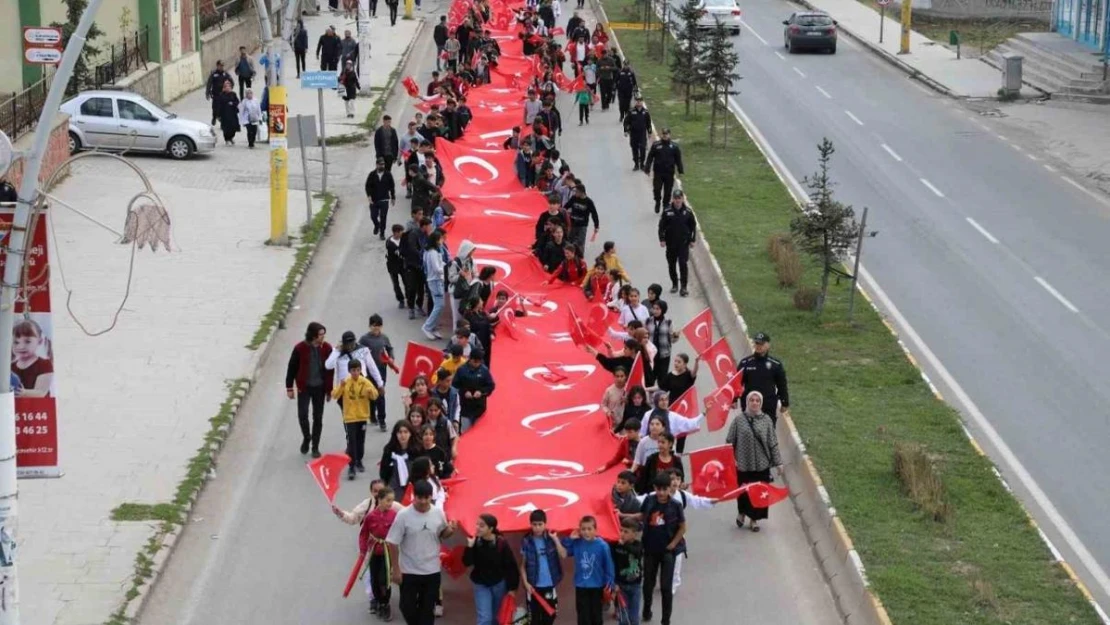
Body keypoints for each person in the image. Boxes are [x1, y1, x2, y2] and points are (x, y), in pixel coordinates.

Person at [386, 480, 458, 625]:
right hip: (409, 571)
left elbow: (442, 534)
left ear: (431, 496)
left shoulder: (438, 513)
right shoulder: (403, 515)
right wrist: (396, 569)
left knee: (427, 610)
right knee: (406, 607)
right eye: (420, 498)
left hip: (431, 571)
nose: (423, 501)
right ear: (414, 496)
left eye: (427, 498)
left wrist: (450, 530)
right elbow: (392, 542)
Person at [726, 390, 783, 532]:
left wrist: (778, 463)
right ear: (747, 402)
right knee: (743, 491)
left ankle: (754, 519)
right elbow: (729, 441)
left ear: (761, 403)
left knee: (759, 492)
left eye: (758, 401)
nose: (755, 403)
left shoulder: (767, 421)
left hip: (761, 465)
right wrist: (731, 459)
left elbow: (772, 443)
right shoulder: (739, 420)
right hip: (743, 464)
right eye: (752, 400)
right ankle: (742, 512)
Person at [636, 473, 685, 625]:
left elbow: (683, 527)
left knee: (665, 587)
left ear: (670, 489)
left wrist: (673, 543)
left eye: (665, 489)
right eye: (659, 489)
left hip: (667, 552)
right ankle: (646, 610)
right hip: (650, 549)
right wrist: (623, 515)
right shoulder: (649, 501)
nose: (662, 493)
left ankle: (666, 619)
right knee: (648, 584)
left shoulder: (676, 505)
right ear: (654, 488)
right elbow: (641, 516)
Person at [285, 322, 333, 458]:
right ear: (313, 335)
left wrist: (329, 390)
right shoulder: (300, 348)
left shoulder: (327, 348)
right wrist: (289, 387)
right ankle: (307, 437)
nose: (323, 337)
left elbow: (330, 371)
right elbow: (292, 368)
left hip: (320, 388)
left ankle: (315, 447)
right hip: (304, 387)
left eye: (324, 334)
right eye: (320, 335)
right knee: (302, 415)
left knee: (318, 418)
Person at [463, 514, 520, 625]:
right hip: (480, 584)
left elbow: (511, 566)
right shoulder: (475, 542)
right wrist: (469, 547)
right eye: (477, 524)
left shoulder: (501, 544)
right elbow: (467, 562)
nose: (477, 527)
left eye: (482, 526)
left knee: (497, 618)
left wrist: (513, 588)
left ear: (491, 529)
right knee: (485, 619)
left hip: (498, 584)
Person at [560, 516, 615, 625]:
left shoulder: (603, 546)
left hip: (597, 586)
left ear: (595, 530)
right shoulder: (577, 543)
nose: (586, 532)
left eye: (589, 529)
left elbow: (609, 567)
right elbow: (565, 548)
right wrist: (571, 538)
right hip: (581, 586)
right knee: (583, 617)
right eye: (583, 529)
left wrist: (610, 585)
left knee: (596, 617)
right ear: (579, 530)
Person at [518, 509, 566, 625]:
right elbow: (523, 566)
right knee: (534, 620)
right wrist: (526, 583)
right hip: (533, 587)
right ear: (531, 525)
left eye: (540, 524)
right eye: (534, 524)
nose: (537, 527)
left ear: (545, 524)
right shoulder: (526, 541)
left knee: (550, 616)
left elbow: (563, 555)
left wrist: (555, 539)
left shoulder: (551, 539)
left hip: (549, 585)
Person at [332, 360, 378, 480]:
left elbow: (375, 395)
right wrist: (341, 387)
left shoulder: (365, 382)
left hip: (362, 416)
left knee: (360, 440)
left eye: (358, 370)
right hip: (350, 417)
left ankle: (359, 460)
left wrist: (370, 392)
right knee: (351, 441)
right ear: (349, 371)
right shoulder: (346, 382)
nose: (356, 373)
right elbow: (335, 395)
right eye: (353, 370)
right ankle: (351, 466)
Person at [736, 332, 790, 428]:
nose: (759, 346)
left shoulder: (775, 364)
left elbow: (782, 384)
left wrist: (784, 402)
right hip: (749, 405)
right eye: (757, 343)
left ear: (768, 345)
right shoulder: (746, 363)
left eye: (761, 344)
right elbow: (737, 383)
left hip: (768, 405)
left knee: (767, 435)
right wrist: (734, 400)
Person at [361, 486, 398, 619]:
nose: (390, 503)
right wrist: (363, 550)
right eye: (388, 500)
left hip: (388, 552)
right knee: (374, 580)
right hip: (374, 551)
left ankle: (385, 603)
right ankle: (378, 600)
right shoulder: (371, 516)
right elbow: (364, 533)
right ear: (380, 500)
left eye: (392, 501)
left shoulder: (394, 515)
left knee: (385, 579)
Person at [359, 314, 397, 430]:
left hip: (381, 369)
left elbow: (389, 348)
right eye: (374, 326)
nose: (376, 329)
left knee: (381, 394)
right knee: (371, 394)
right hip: (368, 372)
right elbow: (359, 353)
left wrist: (391, 357)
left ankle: (382, 420)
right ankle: (372, 414)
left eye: (379, 326)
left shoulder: (384, 338)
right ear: (370, 326)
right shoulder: (364, 339)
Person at [326, 330, 384, 404]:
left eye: (352, 343)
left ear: (355, 341)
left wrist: (380, 384)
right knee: (349, 414)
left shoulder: (363, 350)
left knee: (366, 412)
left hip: (362, 385)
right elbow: (328, 366)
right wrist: (337, 351)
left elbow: (372, 368)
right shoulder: (337, 352)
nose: (350, 346)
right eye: (347, 344)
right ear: (343, 343)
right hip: (345, 388)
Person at [658, 189, 697, 296]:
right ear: (673, 199)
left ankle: (683, 287)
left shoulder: (688, 212)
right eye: (675, 198)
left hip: (683, 244)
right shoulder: (667, 211)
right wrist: (662, 239)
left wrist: (693, 240)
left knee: (683, 264)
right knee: (671, 265)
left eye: (679, 198)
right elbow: (661, 227)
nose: (677, 200)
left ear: (682, 199)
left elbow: (693, 227)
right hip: (671, 244)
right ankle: (675, 284)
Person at [610, 516, 643, 625]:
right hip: (621, 585)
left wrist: (625, 544)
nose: (622, 534)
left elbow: (636, 553)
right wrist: (614, 583)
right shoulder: (616, 545)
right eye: (621, 530)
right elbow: (612, 563)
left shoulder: (637, 545)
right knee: (623, 617)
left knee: (634, 617)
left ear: (634, 534)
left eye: (626, 531)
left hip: (635, 585)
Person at [451, 349, 495, 431]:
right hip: (465, 408)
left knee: (480, 432)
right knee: (465, 431)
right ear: (470, 359)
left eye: (479, 362)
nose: (477, 364)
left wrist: (481, 392)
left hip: (479, 408)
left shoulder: (484, 371)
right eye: (475, 361)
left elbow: (491, 385)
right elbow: (455, 385)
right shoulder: (461, 370)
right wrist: (464, 392)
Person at [644, 128, 685, 214]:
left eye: (666, 134)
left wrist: (680, 171)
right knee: (657, 189)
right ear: (661, 135)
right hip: (658, 172)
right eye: (663, 134)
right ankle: (657, 201)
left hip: (669, 173)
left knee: (668, 191)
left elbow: (678, 160)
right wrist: (647, 168)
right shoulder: (656, 145)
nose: (665, 136)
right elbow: (650, 157)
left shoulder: (674, 147)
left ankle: (665, 205)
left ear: (669, 135)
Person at [11, 319, 53, 397]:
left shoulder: (44, 364)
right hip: (17, 407)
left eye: (27, 341)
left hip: (39, 407)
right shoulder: (11, 367)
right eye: (16, 342)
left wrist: (24, 393)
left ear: (40, 341)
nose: (21, 346)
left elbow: (41, 392)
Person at [422, 231, 448, 340]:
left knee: (439, 305)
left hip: (436, 281)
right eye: (440, 239)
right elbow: (437, 268)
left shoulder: (432, 252)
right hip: (435, 281)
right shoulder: (432, 252)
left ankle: (433, 327)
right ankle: (427, 326)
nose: (442, 241)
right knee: (439, 305)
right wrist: (445, 269)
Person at [380, 420, 419, 492]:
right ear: (395, 434)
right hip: (393, 488)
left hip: (413, 488)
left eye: (406, 432)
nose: (403, 435)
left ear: (411, 433)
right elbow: (383, 472)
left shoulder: (418, 450)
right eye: (400, 432)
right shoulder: (389, 450)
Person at [366, 157, 397, 239]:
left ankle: (382, 233)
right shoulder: (372, 175)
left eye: (383, 164)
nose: (382, 166)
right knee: (373, 216)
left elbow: (392, 186)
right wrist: (369, 196)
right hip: (374, 199)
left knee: (383, 217)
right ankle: (377, 225)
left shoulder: (388, 174)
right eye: (380, 164)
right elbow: (368, 186)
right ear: (377, 165)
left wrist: (393, 197)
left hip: (384, 199)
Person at [564, 184, 599, 254]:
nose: (575, 193)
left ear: (581, 192)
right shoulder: (574, 198)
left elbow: (594, 214)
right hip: (572, 224)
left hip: (582, 225)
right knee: (569, 240)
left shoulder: (589, 202)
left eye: (576, 192)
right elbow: (566, 207)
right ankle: (568, 254)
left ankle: (580, 257)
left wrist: (596, 226)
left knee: (580, 242)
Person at [622, 95, 650, 171]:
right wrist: (626, 130)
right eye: (637, 101)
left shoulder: (645, 112)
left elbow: (648, 123)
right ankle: (636, 164)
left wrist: (649, 132)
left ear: (642, 102)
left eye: (640, 101)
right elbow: (626, 122)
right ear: (635, 102)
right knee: (634, 149)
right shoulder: (631, 112)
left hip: (642, 134)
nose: (638, 102)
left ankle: (642, 164)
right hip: (633, 134)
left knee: (643, 148)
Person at [384, 225, 408, 309]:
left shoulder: (403, 239)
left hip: (402, 265)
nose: (402, 234)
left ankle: (409, 298)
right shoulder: (390, 243)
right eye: (401, 232)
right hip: (393, 266)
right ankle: (401, 299)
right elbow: (399, 253)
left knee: (407, 282)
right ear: (396, 233)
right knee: (396, 284)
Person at [205, 60, 234, 126]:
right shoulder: (213, 74)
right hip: (215, 94)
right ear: (217, 66)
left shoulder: (225, 73)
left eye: (222, 66)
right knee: (215, 108)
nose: (221, 67)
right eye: (220, 66)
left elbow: (231, 81)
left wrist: (230, 89)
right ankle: (214, 117)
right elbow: (209, 84)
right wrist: (207, 93)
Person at [602, 367, 628, 431]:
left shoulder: (629, 389)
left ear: (626, 377)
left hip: (626, 425)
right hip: (613, 425)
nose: (619, 379)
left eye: (622, 376)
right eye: (617, 376)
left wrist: (627, 401)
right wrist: (607, 412)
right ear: (614, 376)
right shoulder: (609, 390)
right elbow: (603, 405)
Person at [215, 80, 241, 145]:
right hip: (224, 114)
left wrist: (232, 103)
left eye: (229, 87)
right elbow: (219, 105)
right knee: (226, 128)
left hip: (232, 113)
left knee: (234, 127)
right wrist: (218, 115)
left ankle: (231, 137)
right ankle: (227, 139)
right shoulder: (221, 95)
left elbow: (237, 102)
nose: (228, 88)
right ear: (224, 88)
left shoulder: (233, 94)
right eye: (226, 87)